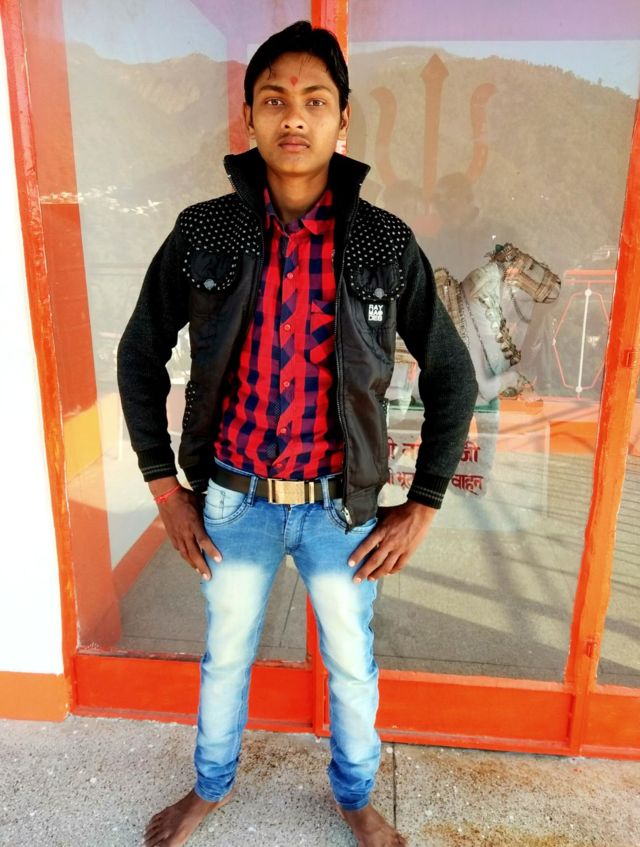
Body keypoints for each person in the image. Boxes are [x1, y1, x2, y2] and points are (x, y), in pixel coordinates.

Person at [117, 20, 477, 847]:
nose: (294, 116)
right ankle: (210, 786)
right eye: (274, 99)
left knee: (350, 663)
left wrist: (423, 502)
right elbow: (140, 353)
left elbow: (453, 374)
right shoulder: (204, 231)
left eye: (315, 100)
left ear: (342, 120)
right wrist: (166, 488)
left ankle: (354, 795)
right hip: (234, 500)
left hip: (339, 511)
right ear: (249, 116)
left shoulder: (384, 242)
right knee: (226, 657)